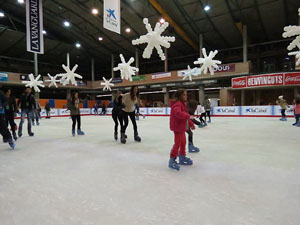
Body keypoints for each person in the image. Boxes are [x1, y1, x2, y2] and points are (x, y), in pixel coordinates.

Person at [168, 89, 194, 171]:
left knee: (183, 143)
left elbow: (185, 118)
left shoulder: (183, 104)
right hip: (177, 127)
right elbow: (178, 114)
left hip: (181, 127)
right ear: (180, 96)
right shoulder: (177, 104)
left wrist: (191, 124)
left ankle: (182, 157)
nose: (186, 96)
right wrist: (188, 116)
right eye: (184, 95)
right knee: (177, 144)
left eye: (186, 94)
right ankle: (172, 159)